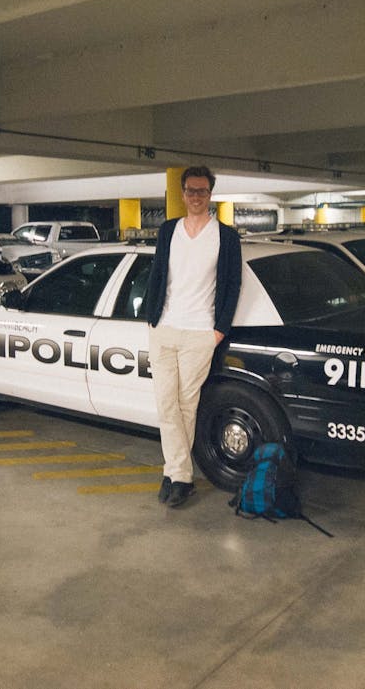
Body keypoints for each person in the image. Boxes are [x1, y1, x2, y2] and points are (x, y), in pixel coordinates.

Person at [145, 165, 242, 508]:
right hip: (164, 327)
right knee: (166, 404)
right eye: (190, 190)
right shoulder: (169, 230)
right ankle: (177, 473)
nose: (196, 196)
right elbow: (157, 274)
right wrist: (151, 320)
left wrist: (219, 330)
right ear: (183, 194)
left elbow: (233, 285)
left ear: (210, 194)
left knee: (186, 405)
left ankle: (177, 477)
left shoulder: (226, 237)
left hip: (201, 331)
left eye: (202, 191)